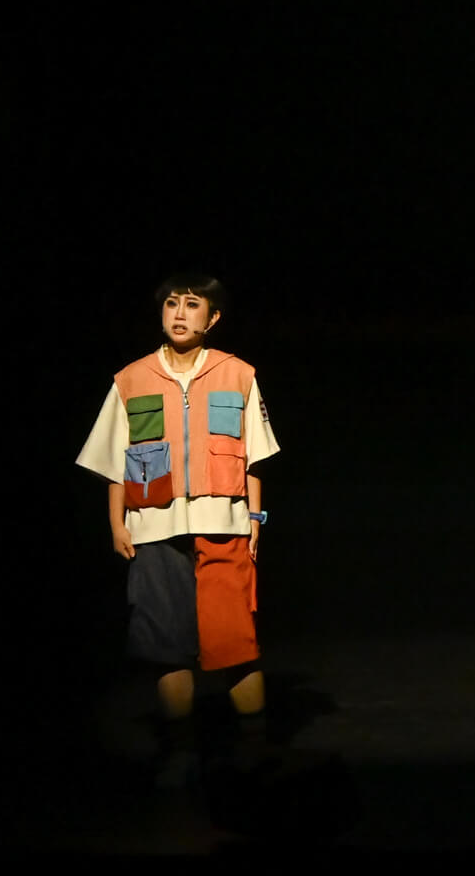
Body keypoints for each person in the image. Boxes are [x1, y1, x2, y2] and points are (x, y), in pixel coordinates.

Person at [75, 273, 282, 787]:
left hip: (223, 524)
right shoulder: (132, 378)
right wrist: (116, 523)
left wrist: (255, 519)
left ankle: (256, 749)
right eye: (172, 304)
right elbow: (115, 460)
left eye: (193, 305)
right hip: (154, 527)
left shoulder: (238, 374)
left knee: (234, 641)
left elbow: (255, 456)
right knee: (165, 644)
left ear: (213, 318)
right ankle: (182, 754)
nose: (180, 313)